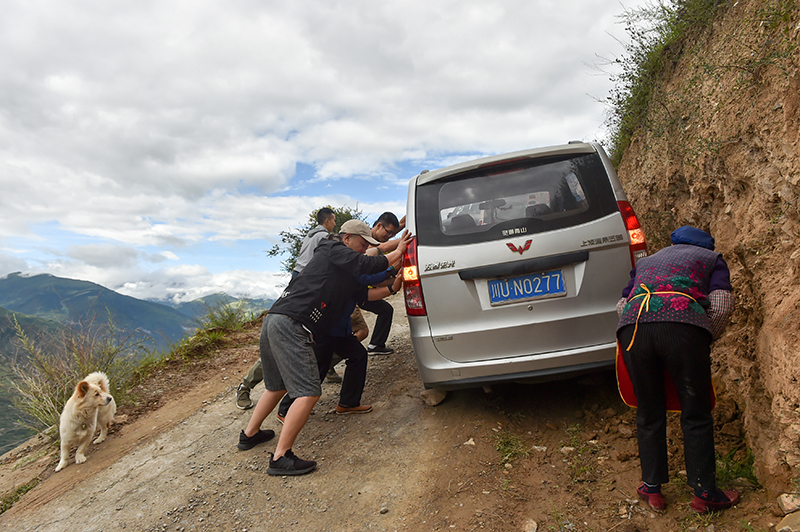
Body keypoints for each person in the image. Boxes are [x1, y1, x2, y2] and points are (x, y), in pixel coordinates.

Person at [237, 220, 411, 476]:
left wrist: (394, 280)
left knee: (277, 386)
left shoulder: (342, 271)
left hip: (276, 320)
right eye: (362, 244)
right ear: (347, 237)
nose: (364, 250)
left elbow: (365, 294)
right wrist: (396, 252)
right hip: (292, 324)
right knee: (308, 391)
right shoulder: (331, 247)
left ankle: (249, 435)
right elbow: (366, 264)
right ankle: (281, 456)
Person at [616, 226, 738, 514]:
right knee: (695, 412)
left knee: (648, 410)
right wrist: (704, 335)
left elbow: (623, 303)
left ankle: (652, 489)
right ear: (707, 246)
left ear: (672, 243)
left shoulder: (646, 262)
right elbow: (721, 304)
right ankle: (705, 493)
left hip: (634, 328)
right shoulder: (712, 259)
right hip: (682, 326)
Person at [235, 207, 337, 409]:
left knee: (326, 335)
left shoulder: (310, 236)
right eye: (334, 220)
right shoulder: (324, 237)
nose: (335, 224)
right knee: (284, 343)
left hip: (303, 282)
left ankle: (324, 368)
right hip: (306, 287)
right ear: (327, 221)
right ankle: (246, 386)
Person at [360, 212, 405, 355]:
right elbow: (383, 247)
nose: (389, 236)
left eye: (392, 234)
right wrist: (407, 241)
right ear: (379, 226)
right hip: (354, 291)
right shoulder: (367, 239)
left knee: (385, 310)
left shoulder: (381, 235)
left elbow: (401, 226)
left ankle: (376, 345)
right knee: (357, 330)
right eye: (388, 233)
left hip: (363, 287)